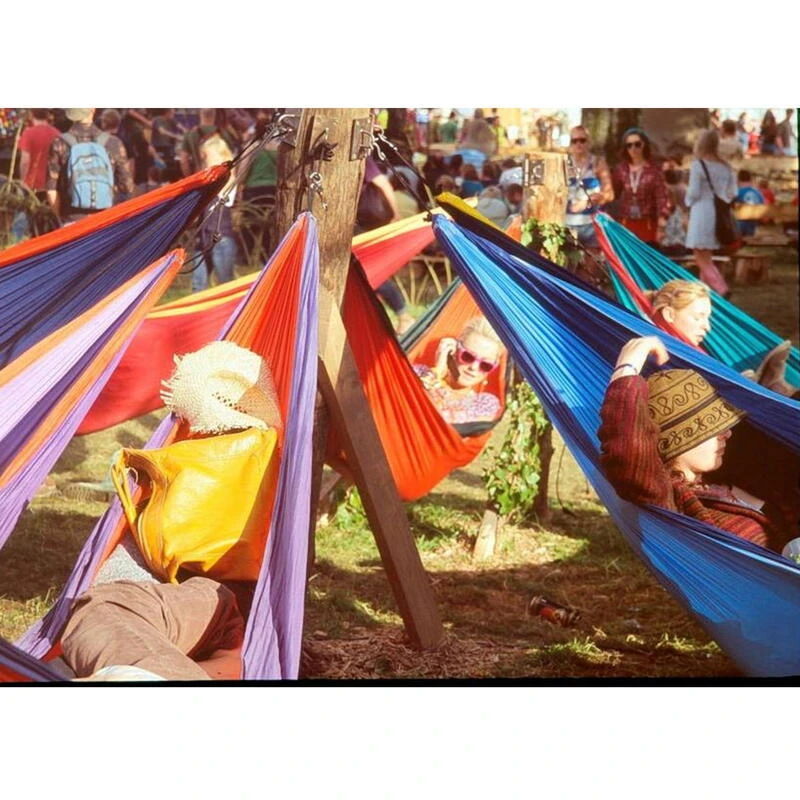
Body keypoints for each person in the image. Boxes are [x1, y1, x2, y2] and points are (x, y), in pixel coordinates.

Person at [60, 341, 282, 681]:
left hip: (198, 604)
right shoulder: (273, 471)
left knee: (99, 614)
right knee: (100, 618)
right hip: (195, 614)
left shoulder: (189, 464)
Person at [599, 336, 796, 553]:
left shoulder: (723, 474)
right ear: (679, 441)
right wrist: (627, 368)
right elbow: (628, 455)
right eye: (712, 430)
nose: (727, 434)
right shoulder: (669, 497)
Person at [357, 155, 415, 334]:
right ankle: (383, 318)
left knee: (370, 271)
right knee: (365, 274)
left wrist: (395, 214)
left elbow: (383, 184)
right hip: (359, 224)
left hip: (364, 226)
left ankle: (403, 315)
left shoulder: (363, 160)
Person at [46, 108, 133, 224]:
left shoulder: (59, 143)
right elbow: (127, 187)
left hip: (72, 219)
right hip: (105, 219)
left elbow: (51, 190)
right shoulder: (113, 143)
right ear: (93, 109)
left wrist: (60, 219)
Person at [413, 316, 504, 425]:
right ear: (455, 350)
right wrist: (437, 371)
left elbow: (442, 423)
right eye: (468, 356)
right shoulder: (418, 373)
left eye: (485, 365)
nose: (474, 367)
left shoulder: (486, 405)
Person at [685, 129, 737, 296]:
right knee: (707, 255)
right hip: (718, 212)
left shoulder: (698, 165)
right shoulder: (726, 167)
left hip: (701, 210)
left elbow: (693, 192)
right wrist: (722, 199)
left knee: (700, 255)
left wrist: (687, 203)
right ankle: (704, 291)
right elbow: (733, 192)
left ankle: (721, 288)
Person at [611, 128, 671, 246]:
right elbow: (612, 194)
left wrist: (661, 226)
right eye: (629, 145)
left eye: (637, 144)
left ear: (644, 145)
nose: (633, 149)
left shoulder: (654, 170)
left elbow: (662, 199)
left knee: (647, 256)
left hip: (648, 224)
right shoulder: (621, 169)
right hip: (626, 223)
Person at [564, 125, 614, 250]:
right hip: (568, 225)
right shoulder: (564, 164)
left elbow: (609, 194)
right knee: (568, 261)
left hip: (591, 225)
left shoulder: (597, 163)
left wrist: (589, 201)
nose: (578, 144)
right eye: (574, 141)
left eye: (582, 140)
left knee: (592, 261)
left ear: (589, 142)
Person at [17, 109, 60, 201]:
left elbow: (25, 162)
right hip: (52, 185)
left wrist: (22, 181)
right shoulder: (57, 133)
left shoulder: (28, 133)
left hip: (32, 184)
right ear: (47, 115)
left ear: (31, 114)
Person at [733, 169, 766, 237]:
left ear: (738, 180)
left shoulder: (736, 192)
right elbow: (763, 209)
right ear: (750, 179)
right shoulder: (758, 193)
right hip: (752, 226)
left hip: (738, 226)